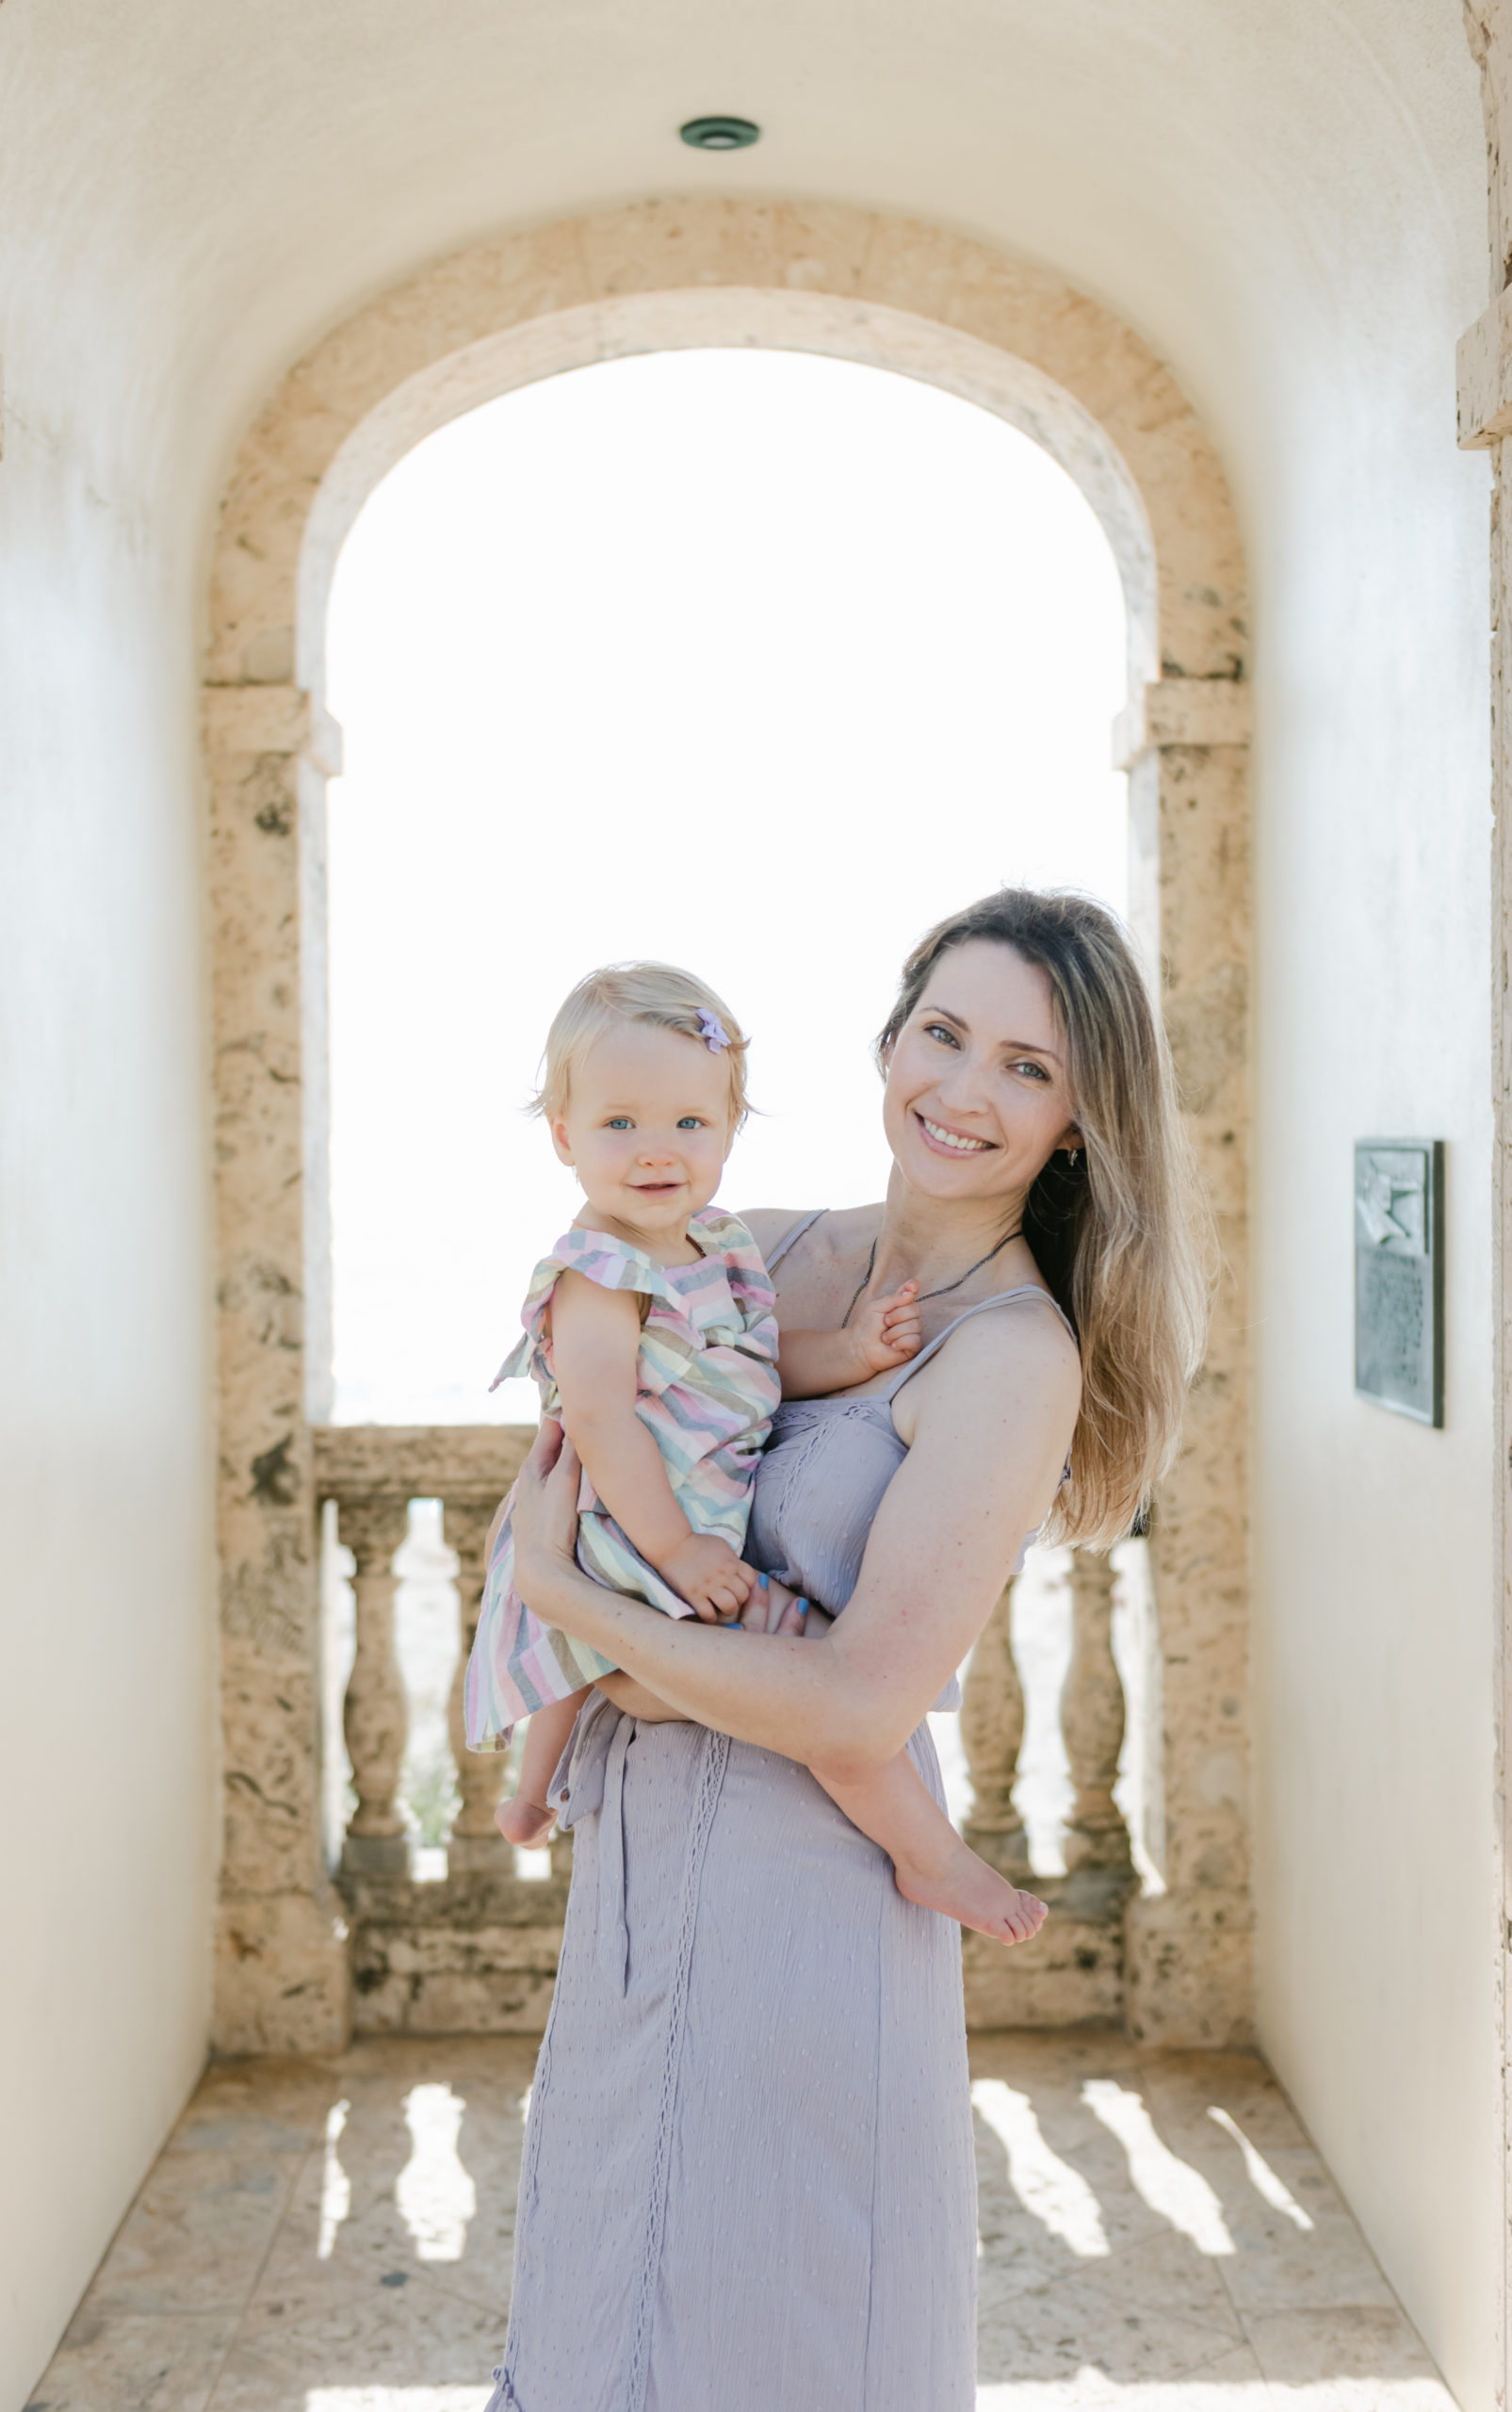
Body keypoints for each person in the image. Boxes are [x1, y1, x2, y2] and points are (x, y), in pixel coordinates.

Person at [483, 890, 1210, 2412]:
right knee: (594, 2307)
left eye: (1025, 1065)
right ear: (884, 1040)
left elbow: (857, 1696)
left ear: (1078, 1120)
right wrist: (576, 1603)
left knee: (772, 2324)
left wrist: (585, 1625)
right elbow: (558, 1477)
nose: (960, 1090)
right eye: (940, 1034)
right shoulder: (737, 1246)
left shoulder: (1008, 1360)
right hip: (635, 1875)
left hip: (806, 1904)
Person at [466, 960, 1048, 1944]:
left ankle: (532, 1797)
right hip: (639, 1529)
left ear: (730, 1126)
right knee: (771, 1652)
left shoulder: (723, 1247)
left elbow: (760, 1363)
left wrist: (854, 1352)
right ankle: (928, 1854)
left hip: (679, 1528)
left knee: (706, 1668)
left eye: (688, 1124)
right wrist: (680, 1553)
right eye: (619, 1125)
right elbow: (601, 1421)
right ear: (563, 1135)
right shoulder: (598, 1271)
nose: (656, 1151)